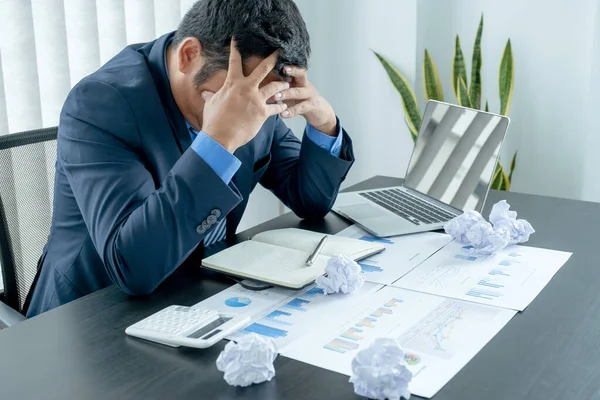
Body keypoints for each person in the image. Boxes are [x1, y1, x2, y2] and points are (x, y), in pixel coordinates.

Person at [25, 0, 354, 317]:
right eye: (239, 95)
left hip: (195, 296)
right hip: (92, 316)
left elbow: (310, 201)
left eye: (264, 95)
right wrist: (219, 140)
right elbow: (133, 267)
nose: (252, 108)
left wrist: (323, 122)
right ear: (189, 55)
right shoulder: (101, 103)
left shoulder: (253, 96)